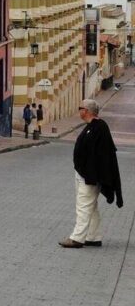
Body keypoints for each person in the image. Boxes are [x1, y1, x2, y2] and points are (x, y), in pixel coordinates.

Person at [59, 99, 123, 248]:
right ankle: (93, 236)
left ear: (86, 111)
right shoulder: (92, 126)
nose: (79, 110)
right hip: (83, 174)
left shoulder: (99, 127)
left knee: (83, 206)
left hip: (90, 177)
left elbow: (103, 156)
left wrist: (92, 176)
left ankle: (77, 238)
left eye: (80, 107)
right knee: (91, 207)